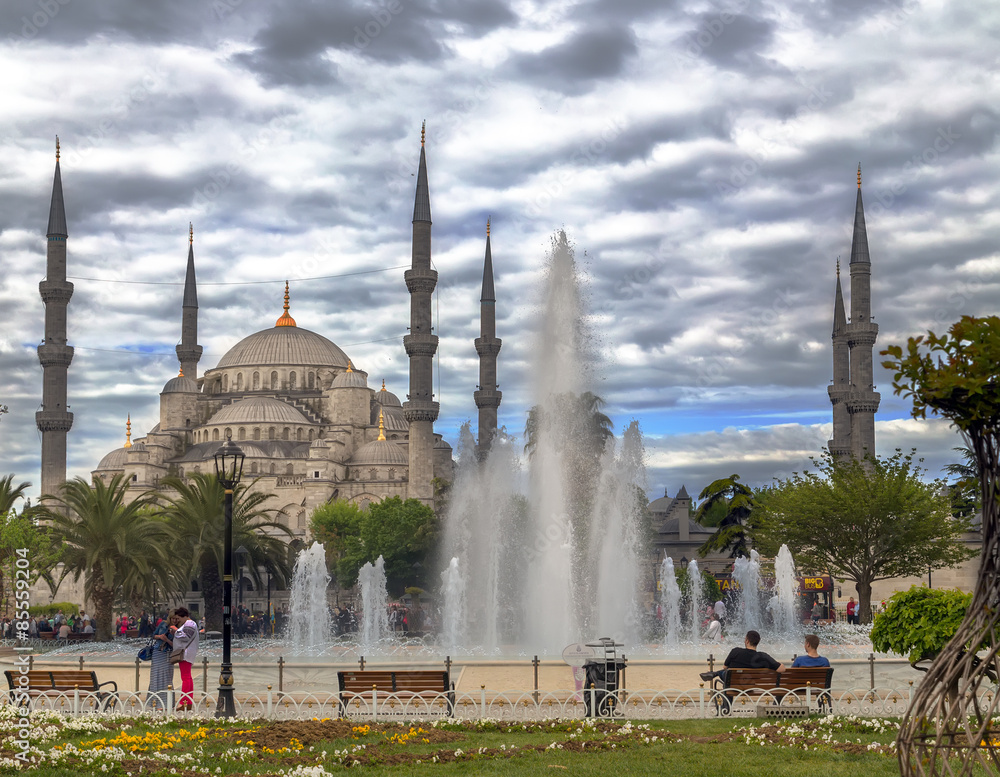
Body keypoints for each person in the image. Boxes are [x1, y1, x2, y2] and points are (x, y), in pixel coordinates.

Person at [701, 630, 785, 681]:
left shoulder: (736, 651)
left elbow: (725, 667)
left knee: (726, 673)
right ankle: (714, 674)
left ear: (747, 641)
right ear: (758, 642)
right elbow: (782, 669)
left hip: (733, 684)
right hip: (752, 684)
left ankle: (715, 674)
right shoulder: (763, 656)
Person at [171, 607, 199, 711]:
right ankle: (188, 701)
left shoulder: (189, 624)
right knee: (187, 677)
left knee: (186, 677)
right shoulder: (190, 624)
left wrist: (176, 631)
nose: (178, 621)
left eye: (179, 618)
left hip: (186, 653)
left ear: (184, 616)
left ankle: (184, 702)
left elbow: (186, 636)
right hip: (187, 653)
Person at [147, 614, 175, 710]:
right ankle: (155, 702)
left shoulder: (178, 629)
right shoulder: (163, 624)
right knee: (156, 676)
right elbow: (153, 635)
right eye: (172, 618)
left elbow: (177, 645)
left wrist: (167, 639)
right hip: (157, 652)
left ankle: (167, 703)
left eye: (176, 619)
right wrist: (160, 636)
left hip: (167, 654)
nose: (174, 620)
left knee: (166, 677)